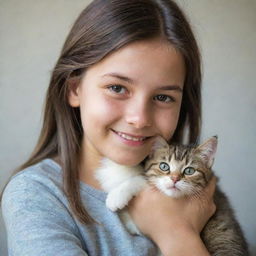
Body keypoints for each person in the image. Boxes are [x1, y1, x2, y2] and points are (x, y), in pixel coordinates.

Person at [1, 0, 217, 255]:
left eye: (162, 97)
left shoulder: (193, 189)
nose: (139, 119)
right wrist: (175, 234)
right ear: (74, 89)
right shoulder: (36, 194)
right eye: (117, 88)